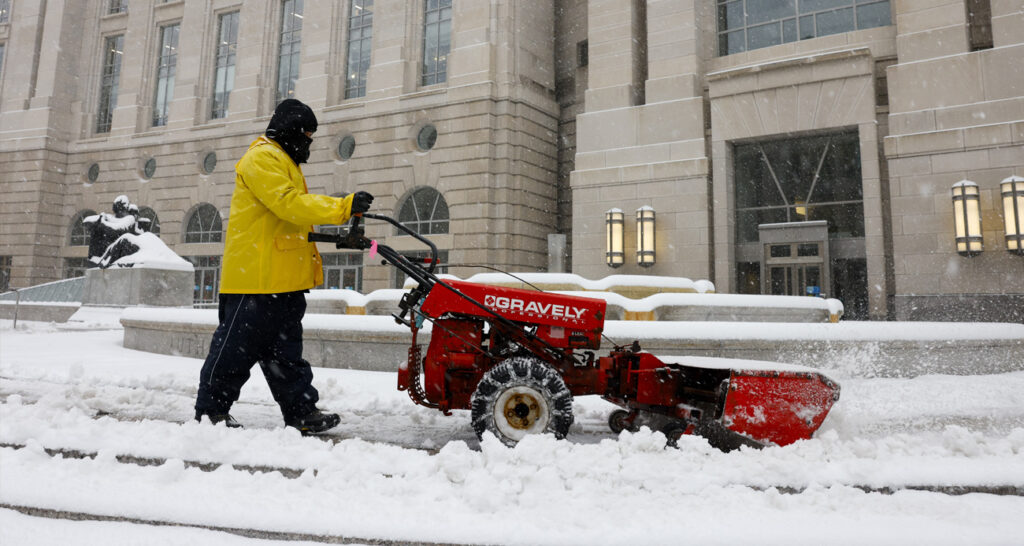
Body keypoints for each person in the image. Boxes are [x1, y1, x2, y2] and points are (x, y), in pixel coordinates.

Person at [194, 98, 374, 435]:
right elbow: (289, 205)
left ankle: (300, 411)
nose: (309, 142)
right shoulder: (262, 158)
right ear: (290, 130)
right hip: (256, 281)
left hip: (282, 282)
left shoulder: (283, 161)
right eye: (306, 134)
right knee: (233, 352)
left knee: (286, 356)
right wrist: (343, 206)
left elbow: (289, 223)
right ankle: (210, 413)